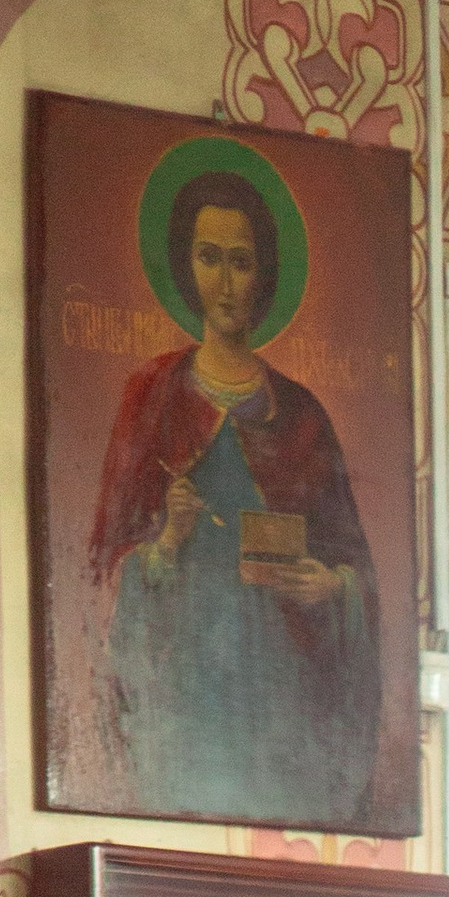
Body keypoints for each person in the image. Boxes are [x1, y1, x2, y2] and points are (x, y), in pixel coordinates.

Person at [89, 161, 380, 827]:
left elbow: (355, 567)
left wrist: (332, 587)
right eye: (209, 258)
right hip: (184, 698)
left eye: (241, 262)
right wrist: (166, 543)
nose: (224, 284)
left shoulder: (302, 415)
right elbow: (102, 566)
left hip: (282, 698)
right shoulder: (153, 397)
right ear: (184, 267)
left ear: (265, 274)